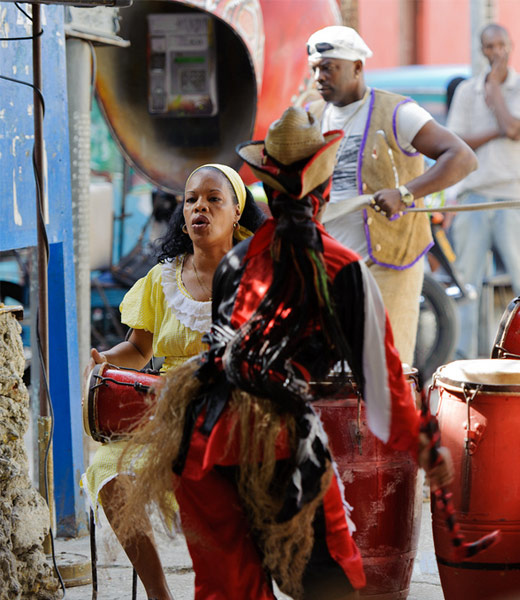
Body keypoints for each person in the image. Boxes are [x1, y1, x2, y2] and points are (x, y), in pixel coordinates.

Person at [115, 107, 454, 599]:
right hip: (277, 448)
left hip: (200, 442)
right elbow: (383, 390)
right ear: (322, 191)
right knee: (330, 584)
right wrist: (424, 445)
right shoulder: (341, 269)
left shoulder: (235, 261)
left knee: (227, 589)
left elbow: (225, 358)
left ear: (267, 193)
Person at [81, 164, 264, 600]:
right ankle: (159, 593)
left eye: (213, 199)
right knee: (107, 469)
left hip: (233, 408)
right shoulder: (162, 279)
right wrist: (104, 360)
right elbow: (140, 350)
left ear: (236, 211)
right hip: (165, 410)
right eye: (191, 200)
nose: (199, 206)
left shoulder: (256, 274)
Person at [304, 25, 476, 364]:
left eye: (328, 67)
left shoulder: (398, 112)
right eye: (314, 69)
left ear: (357, 67)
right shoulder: (312, 117)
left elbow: (463, 158)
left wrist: (406, 193)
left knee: (386, 366)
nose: (318, 77)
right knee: (334, 370)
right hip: (330, 261)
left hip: (390, 260)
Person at [446, 23, 520, 359]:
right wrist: (500, 128)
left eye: (501, 45)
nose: (496, 52)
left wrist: (496, 95)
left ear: (510, 46)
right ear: (482, 50)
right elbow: (458, 141)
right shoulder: (466, 92)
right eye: (490, 46)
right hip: (473, 196)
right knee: (466, 285)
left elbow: (515, 129)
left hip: (513, 194)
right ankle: (465, 362)